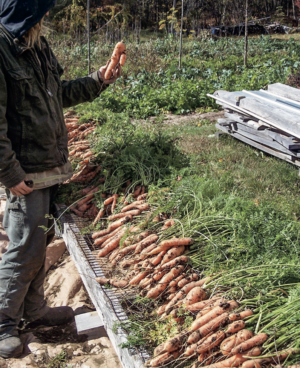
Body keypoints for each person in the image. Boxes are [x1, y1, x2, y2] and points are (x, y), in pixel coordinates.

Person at [0, 0, 121, 359]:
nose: (46, 17)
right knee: (23, 247)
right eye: (41, 11)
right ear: (26, 13)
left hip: (49, 164)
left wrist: (99, 81)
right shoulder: (2, 50)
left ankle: (34, 311)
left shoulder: (36, 45)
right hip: (26, 173)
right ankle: (4, 322)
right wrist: (10, 173)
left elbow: (58, 95)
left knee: (41, 240)